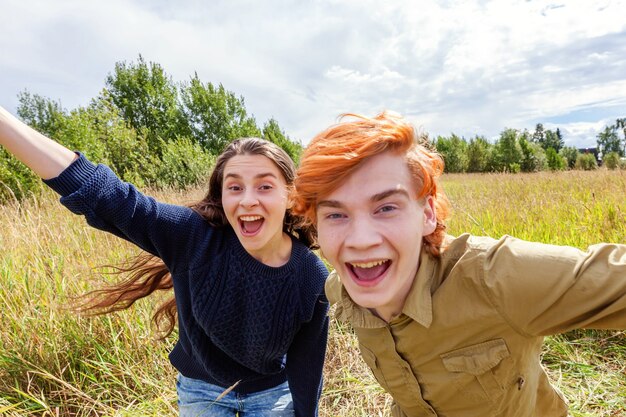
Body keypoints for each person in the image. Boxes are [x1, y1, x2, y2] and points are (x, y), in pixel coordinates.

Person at [0, 106, 329, 417]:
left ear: (289, 196)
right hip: (202, 391)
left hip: (271, 393)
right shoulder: (193, 236)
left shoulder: (310, 275)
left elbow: (307, 366)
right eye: (234, 187)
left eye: (265, 186)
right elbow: (108, 198)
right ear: (222, 195)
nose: (246, 200)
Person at [291, 111, 626, 417]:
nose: (361, 239)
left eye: (386, 208)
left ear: (426, 215)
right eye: (336, 214)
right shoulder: (341, 291)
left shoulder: (495, 278)